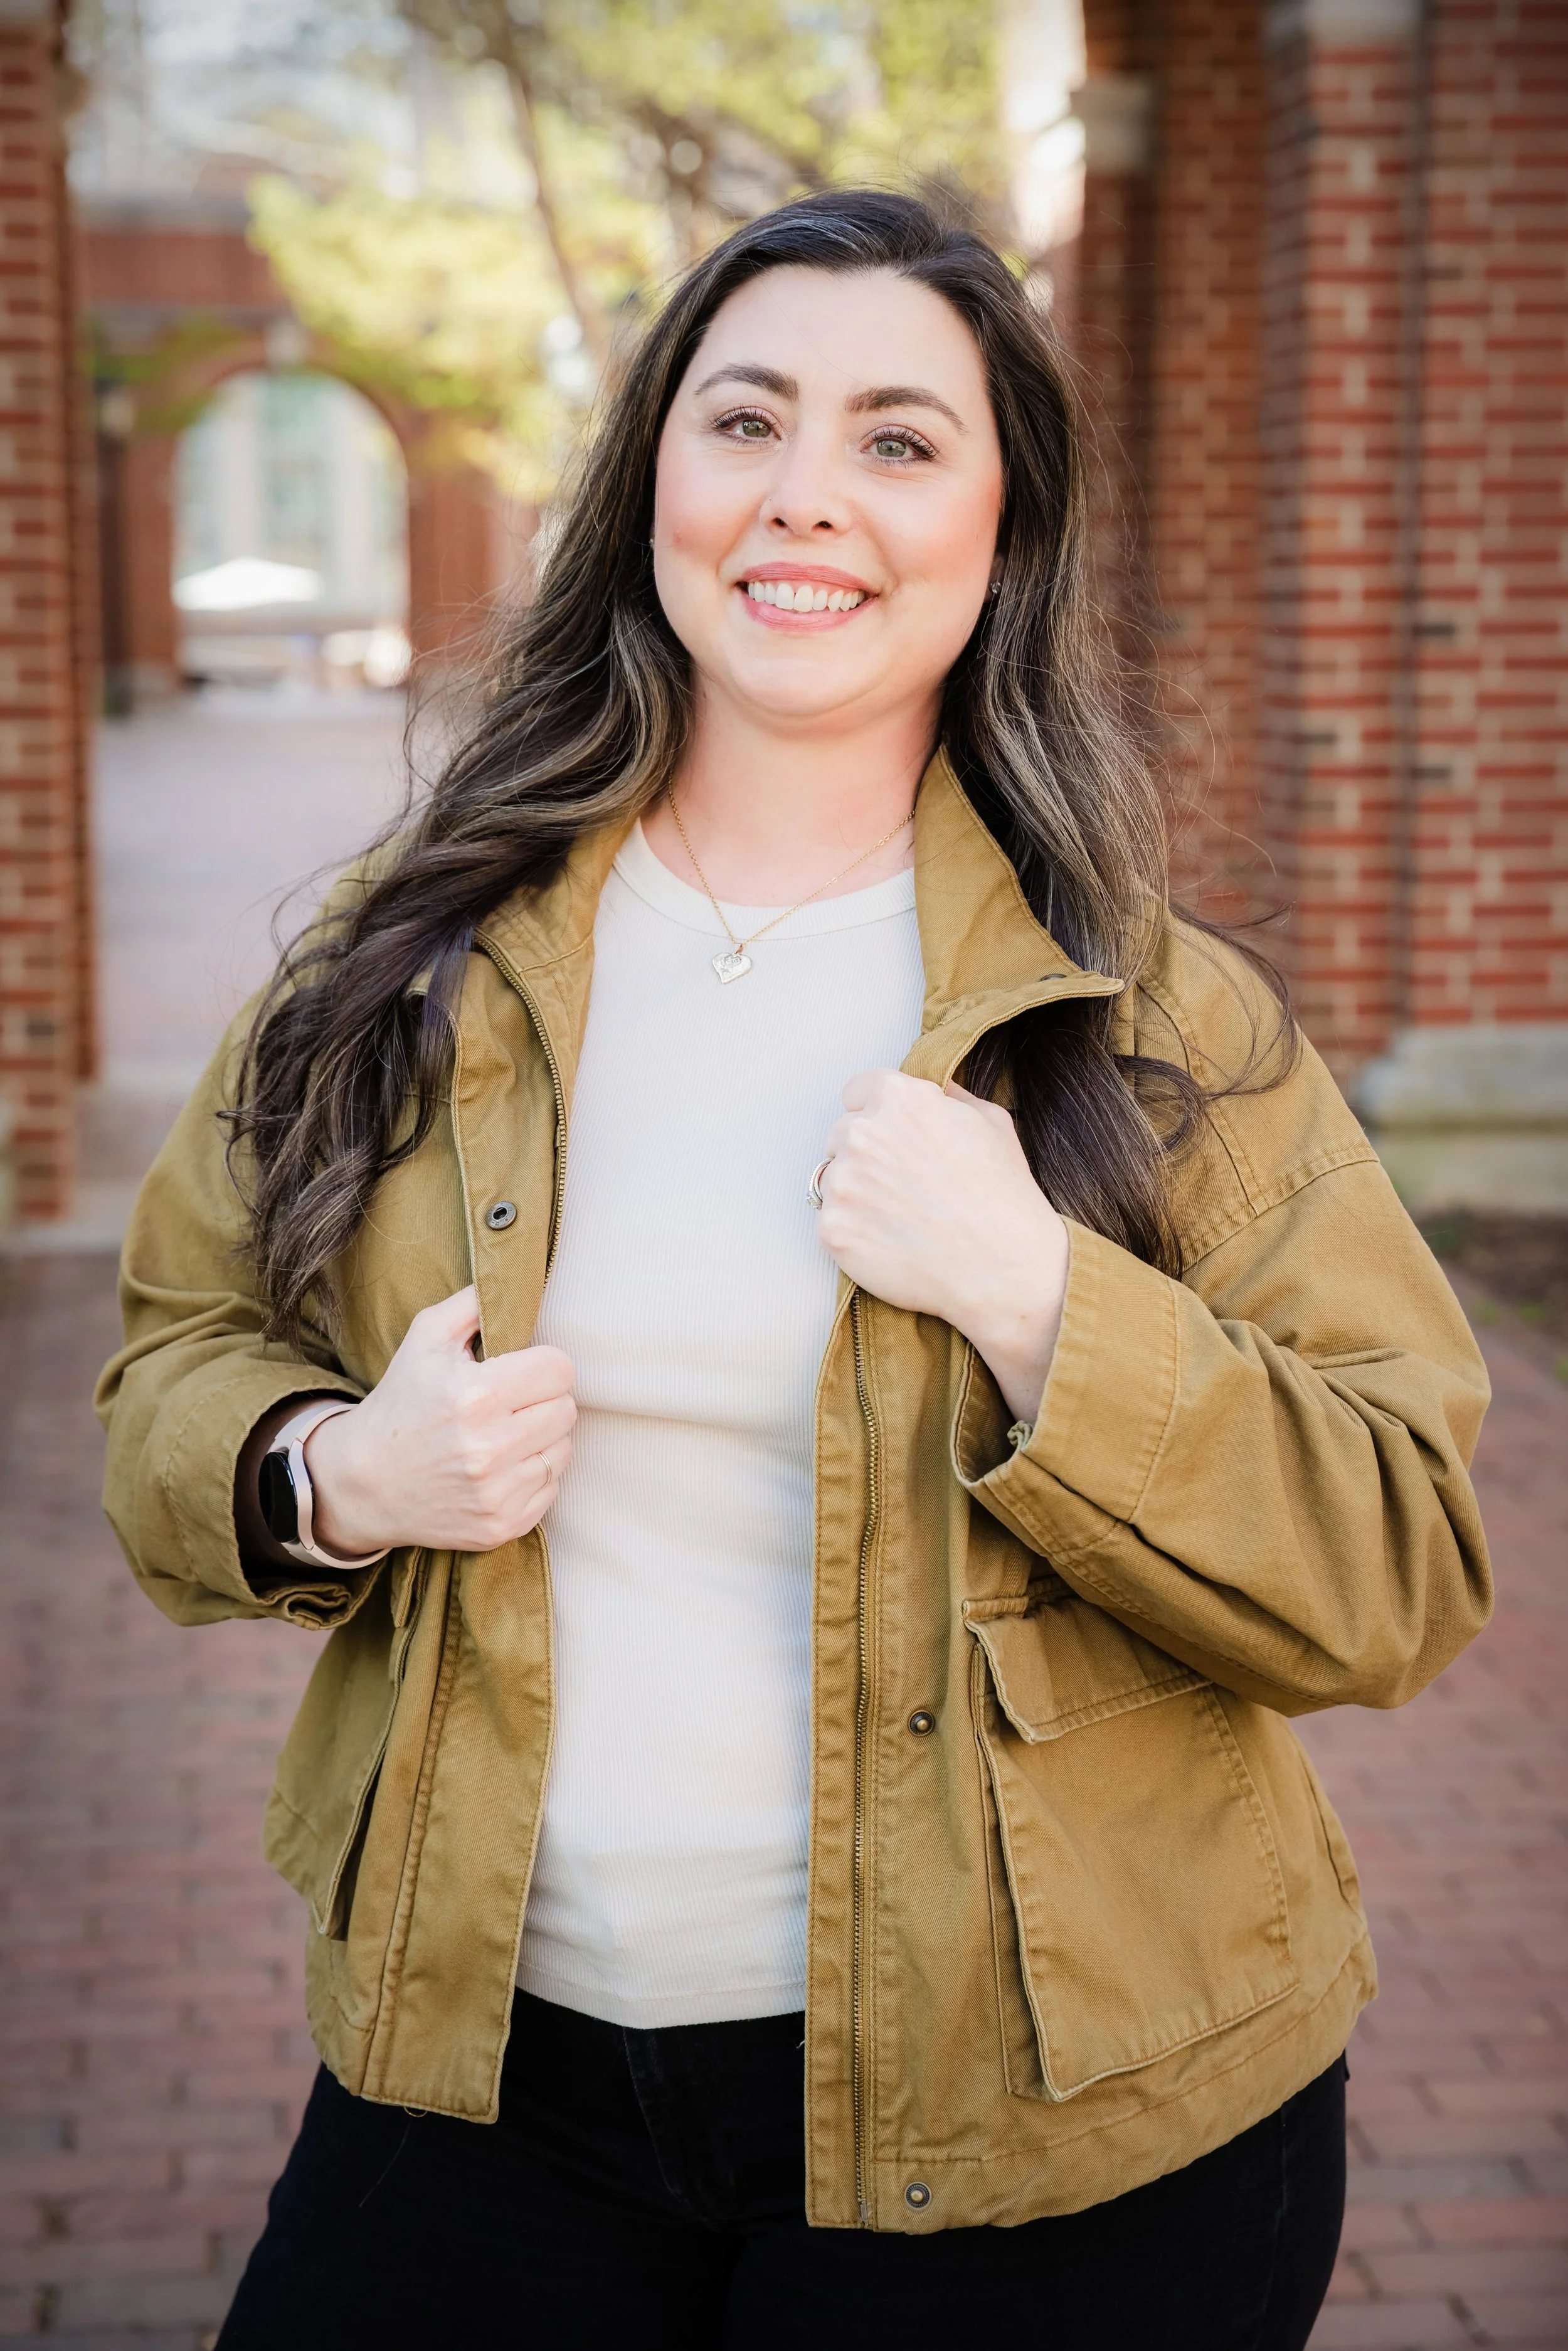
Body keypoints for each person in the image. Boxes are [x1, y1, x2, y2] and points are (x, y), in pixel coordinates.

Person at [98, 191, 1491, 2350]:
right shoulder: (405, 950)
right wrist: (329, 1472)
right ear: (654, 476)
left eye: (899, 440)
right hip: (487, 2069)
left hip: (1048, 2121)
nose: (803, 496)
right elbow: (175, 1358)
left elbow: (1401, 1550)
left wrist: (1044, 1300)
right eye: (744, 418)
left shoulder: (1152, 1013)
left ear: (1003, 531)